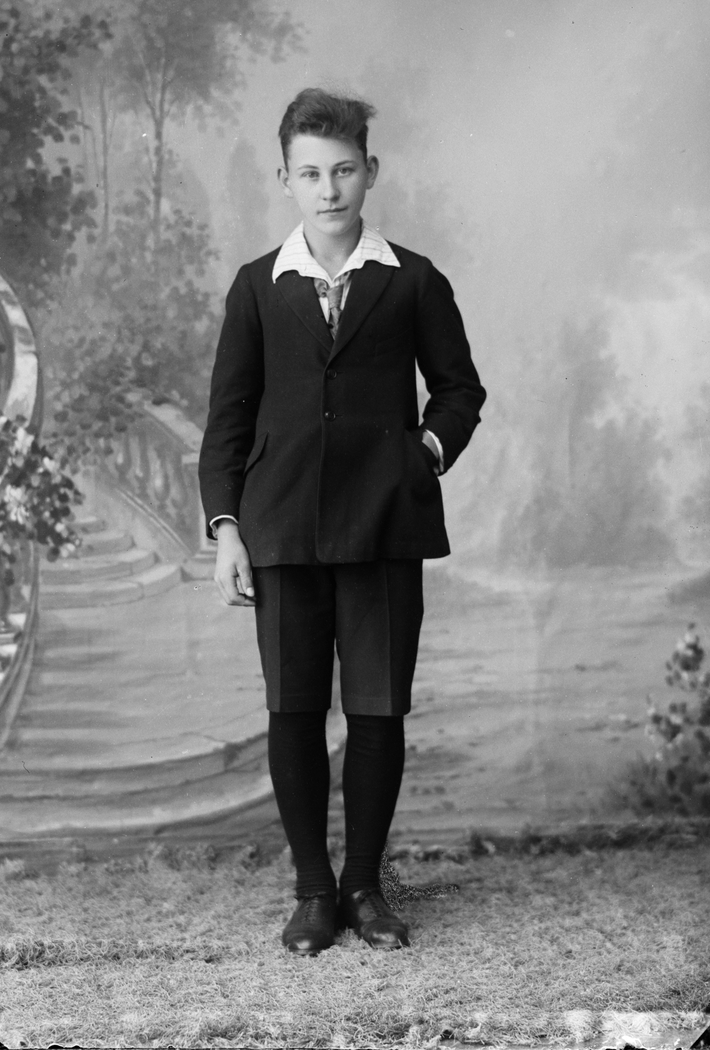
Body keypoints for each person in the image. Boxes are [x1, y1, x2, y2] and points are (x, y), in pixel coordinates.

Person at [198, 88, 486, 955]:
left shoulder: (413, 279)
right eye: (311, 174)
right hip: (281, 529)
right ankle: (313, 892)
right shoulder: (258, 286)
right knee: (293, 711)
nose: (329, 190)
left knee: (376, 711)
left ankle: (364, 886)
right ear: (285, 179)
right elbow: (227, 419)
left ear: (371, 172)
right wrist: (227, 529)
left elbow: (460, 389)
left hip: (383, 528)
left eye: (345, 171)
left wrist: (423, 453)